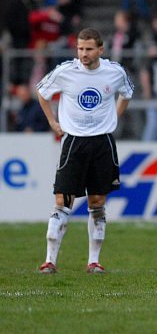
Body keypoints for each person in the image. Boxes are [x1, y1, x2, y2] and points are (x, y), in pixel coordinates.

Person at [35, 28, 134, 274]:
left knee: (97, 202)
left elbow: (127, 93)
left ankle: (94, 261)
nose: (83, 54)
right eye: (80, 49)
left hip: (102, 143)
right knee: (62, 201)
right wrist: (52, 122)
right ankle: (50, 260)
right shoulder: (66, 71)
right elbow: (42, 91)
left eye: (89, 49)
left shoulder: (114, 72)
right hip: (74, 143)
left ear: (100, 50)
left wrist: (115, 116)